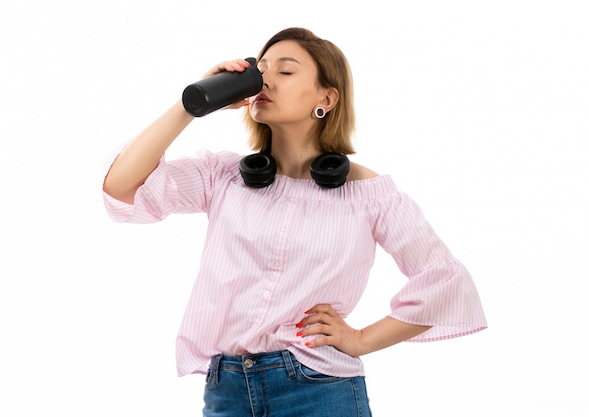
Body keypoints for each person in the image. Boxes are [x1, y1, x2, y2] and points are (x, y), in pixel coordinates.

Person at [102, 27, 487, 417]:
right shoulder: (223, 177)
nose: (265, 79)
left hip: (318, 390)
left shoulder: (370, 194)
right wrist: (193, 102)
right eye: (260, 69)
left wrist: (360, 340)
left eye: (285, 72)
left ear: (326, 97)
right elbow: (121, 186)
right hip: (228, 390)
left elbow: (445, 279)